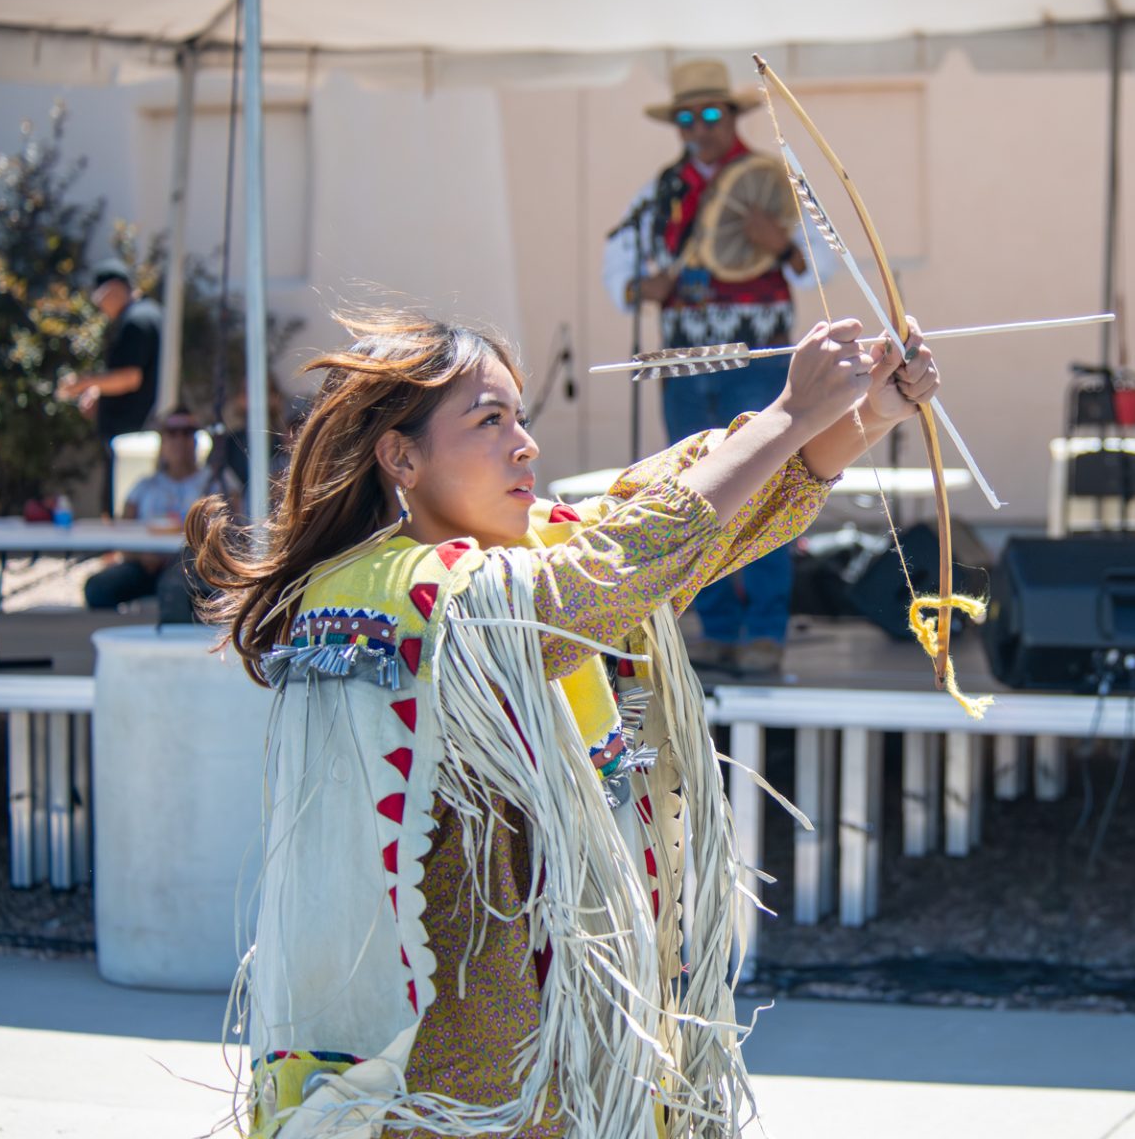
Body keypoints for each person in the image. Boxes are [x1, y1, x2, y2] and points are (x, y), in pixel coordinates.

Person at [188, 308, 939, 1138]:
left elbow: (697, 524)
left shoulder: (540, 555)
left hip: (572, 1045)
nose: (525, 445)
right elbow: (605, 575)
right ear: (401, 457)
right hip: (438, 1066)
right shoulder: (375, 590)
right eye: (489, 421)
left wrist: (863, 411)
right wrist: (795, 410)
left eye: (521, 417)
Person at [602, 59, 835, 678]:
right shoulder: (658, 193)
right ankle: (714, 630)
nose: (699, 127)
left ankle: (763, 632)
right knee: (687, 486)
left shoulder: (774, 178)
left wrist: (777, 242)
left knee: (764, 478)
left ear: (731, 116)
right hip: (683, 361)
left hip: (756, 359)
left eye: (710, 114)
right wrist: (638, 288)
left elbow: (826, 267)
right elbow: (619, 267)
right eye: (687, 117)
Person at [83, 405, 232, 613]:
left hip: (194, 569)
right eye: (172, 433)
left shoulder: (217, 482)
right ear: (163, 440)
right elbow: (122, 535)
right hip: (146, 566)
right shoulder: (144, 486)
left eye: (187, 432)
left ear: (196, 439)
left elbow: (234, 530)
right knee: (98, 588)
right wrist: (141, 557)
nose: (180, 440)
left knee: (195, 594)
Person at [56, 259, 163, 513]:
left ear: (114, 289)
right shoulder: (147, 313)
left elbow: (130, 377)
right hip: (135, 432)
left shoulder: (136, 320)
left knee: (124, 500)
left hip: (132, 434)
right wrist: (97, 390)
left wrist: (82, 384)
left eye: (100, 298)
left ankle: (121, 551)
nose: (100, 307)